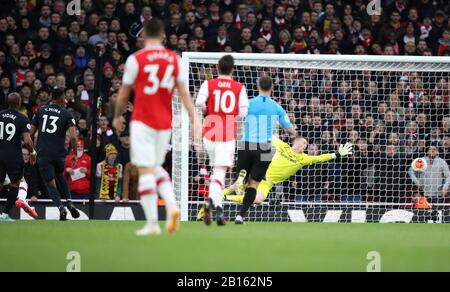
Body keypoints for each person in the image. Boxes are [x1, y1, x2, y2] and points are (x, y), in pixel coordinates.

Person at [112, 18, 201, 236]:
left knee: (145, 170)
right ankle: (172, 205)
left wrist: (117, 115)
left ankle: (152, 223)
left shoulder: (136, 59)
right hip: (164, 123)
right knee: (155, 166)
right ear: (162, 36)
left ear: (143, 37)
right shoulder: (174, 59)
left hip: (142, 120)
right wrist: (194, 117)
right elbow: (183, 91)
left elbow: (124, 92)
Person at [227, 136, 353, 215]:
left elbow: (320, 158)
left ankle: (228, 199)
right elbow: (269, 135)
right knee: (235, 186)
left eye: (306, 144)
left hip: (267, 183)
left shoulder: (303, 158)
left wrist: (336, 154)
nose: (305, 145)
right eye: (304, 143)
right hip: (259, 174)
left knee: (259, 200)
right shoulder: (283, 147)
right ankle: (222, 194)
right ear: (296, 142)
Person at [233, 75, 296, 224]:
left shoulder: (248, 103)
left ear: (257, 87)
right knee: (254, 185)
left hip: (246, 144)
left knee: (243, 175)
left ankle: (241, 176)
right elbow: (290, 130)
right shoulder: (276, 106)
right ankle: (240, 216)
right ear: (272, 88)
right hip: (264, 147)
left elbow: (235, 118)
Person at [195, 55, 249, 226]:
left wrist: (207, 111)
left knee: (216, 172)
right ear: (232, 69)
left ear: (217, 68)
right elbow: (244, 113)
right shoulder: (239, 87)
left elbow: (198, 103)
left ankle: (219, 211)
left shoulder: (208, 84)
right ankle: (210, 203)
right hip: (226, 133)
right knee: (220, 172)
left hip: (209, 132)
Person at [30, 88, 80, 221]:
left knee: (51, 184)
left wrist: (32, 151)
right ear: (61, 98)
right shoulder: (66, 114)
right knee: (60, 175)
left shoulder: (40, 111)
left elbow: (30, 134)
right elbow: (74, 137)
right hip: (59, 154)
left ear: (51, 97)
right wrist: (75, 153)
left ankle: (60, 208)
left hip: (43, 153)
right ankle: (69, 201)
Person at [0, 93, 37, 221]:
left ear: (7, 102)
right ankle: (4, 215)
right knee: (16, 183)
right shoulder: (22, 118)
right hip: (13, 156)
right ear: (19, 102)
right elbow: (27, 140)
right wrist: (32, 152)